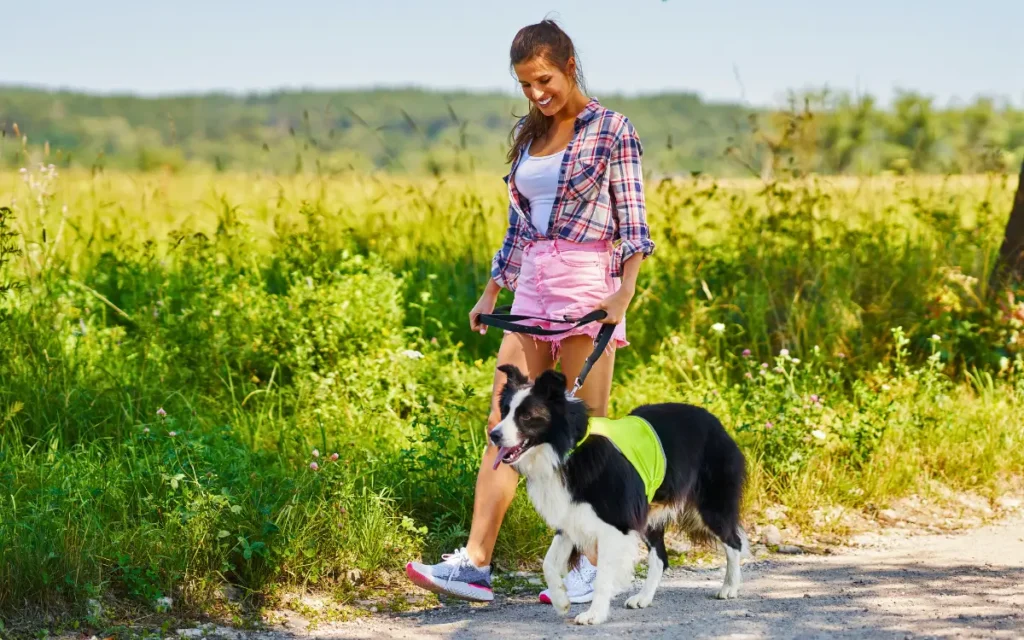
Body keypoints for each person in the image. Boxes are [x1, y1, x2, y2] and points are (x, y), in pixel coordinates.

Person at [405, 19, 655, 605]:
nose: (536, 93)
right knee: (504, 420)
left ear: (569, 65)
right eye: (524, 84)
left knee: (584, 431)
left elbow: (634, 222)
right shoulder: (530, 135)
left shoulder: (612, 129)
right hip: (533, 288)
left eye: (543, 79)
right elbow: (521, 225)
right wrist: (494, 289)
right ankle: (474, 563)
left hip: (585, 286)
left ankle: (597, 561)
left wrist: (624, 292)